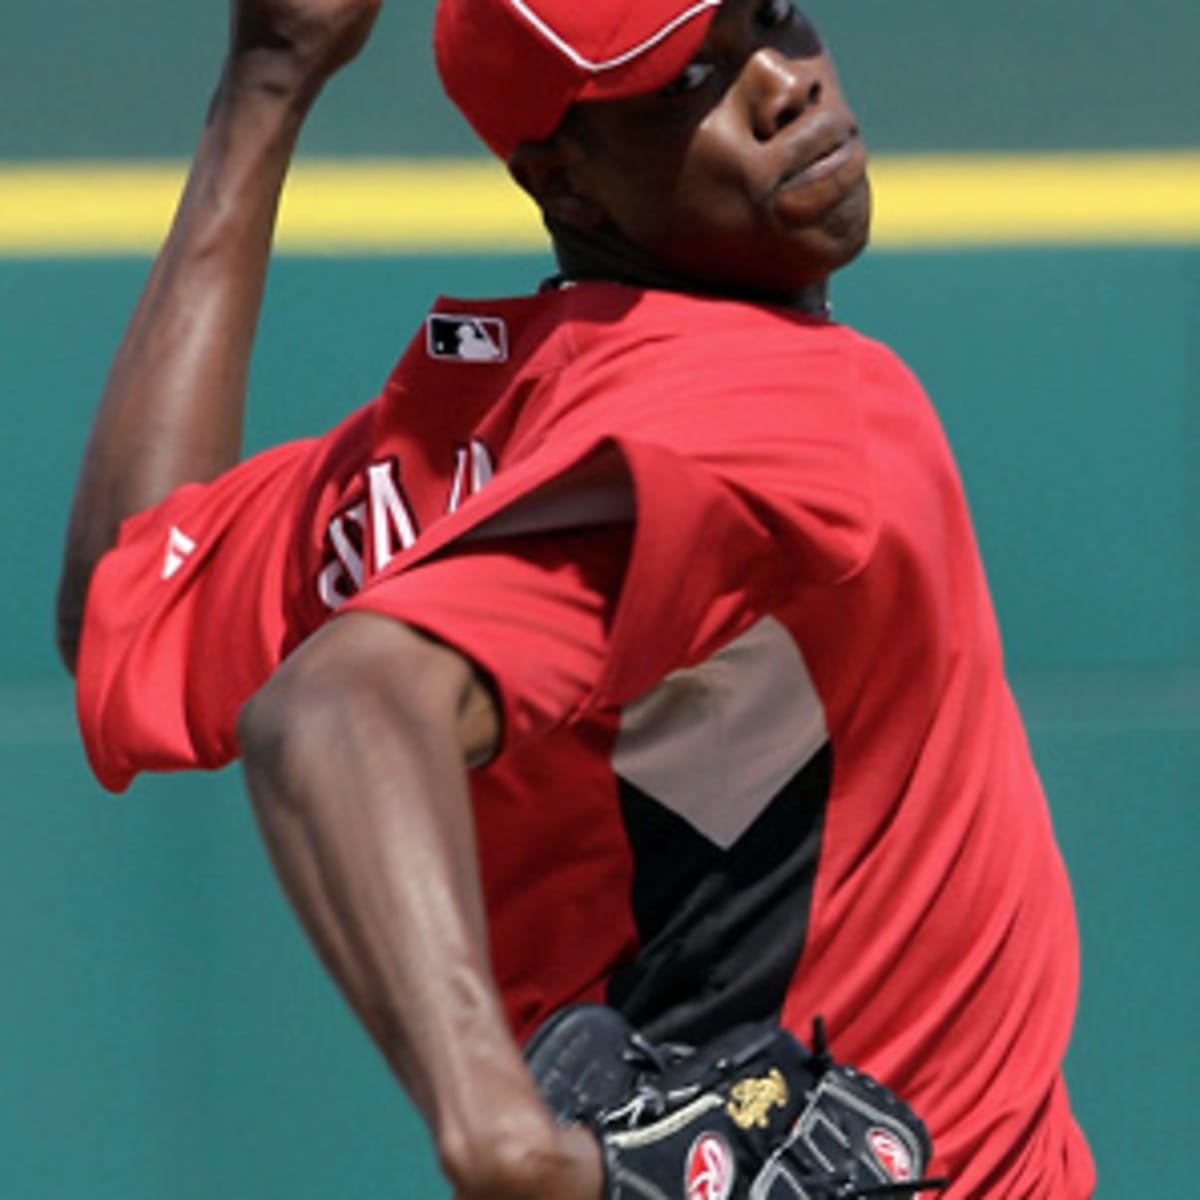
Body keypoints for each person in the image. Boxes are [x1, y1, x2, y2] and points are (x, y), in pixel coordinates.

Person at [55, 0, 1097, 1196]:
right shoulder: (793, 411)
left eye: (776, 16)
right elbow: (334, 707)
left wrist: (267, 87)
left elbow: (125, 594)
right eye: (685, 80)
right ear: (567, 179)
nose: (784, 83)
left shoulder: (454, 456)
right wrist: (509, 1147)